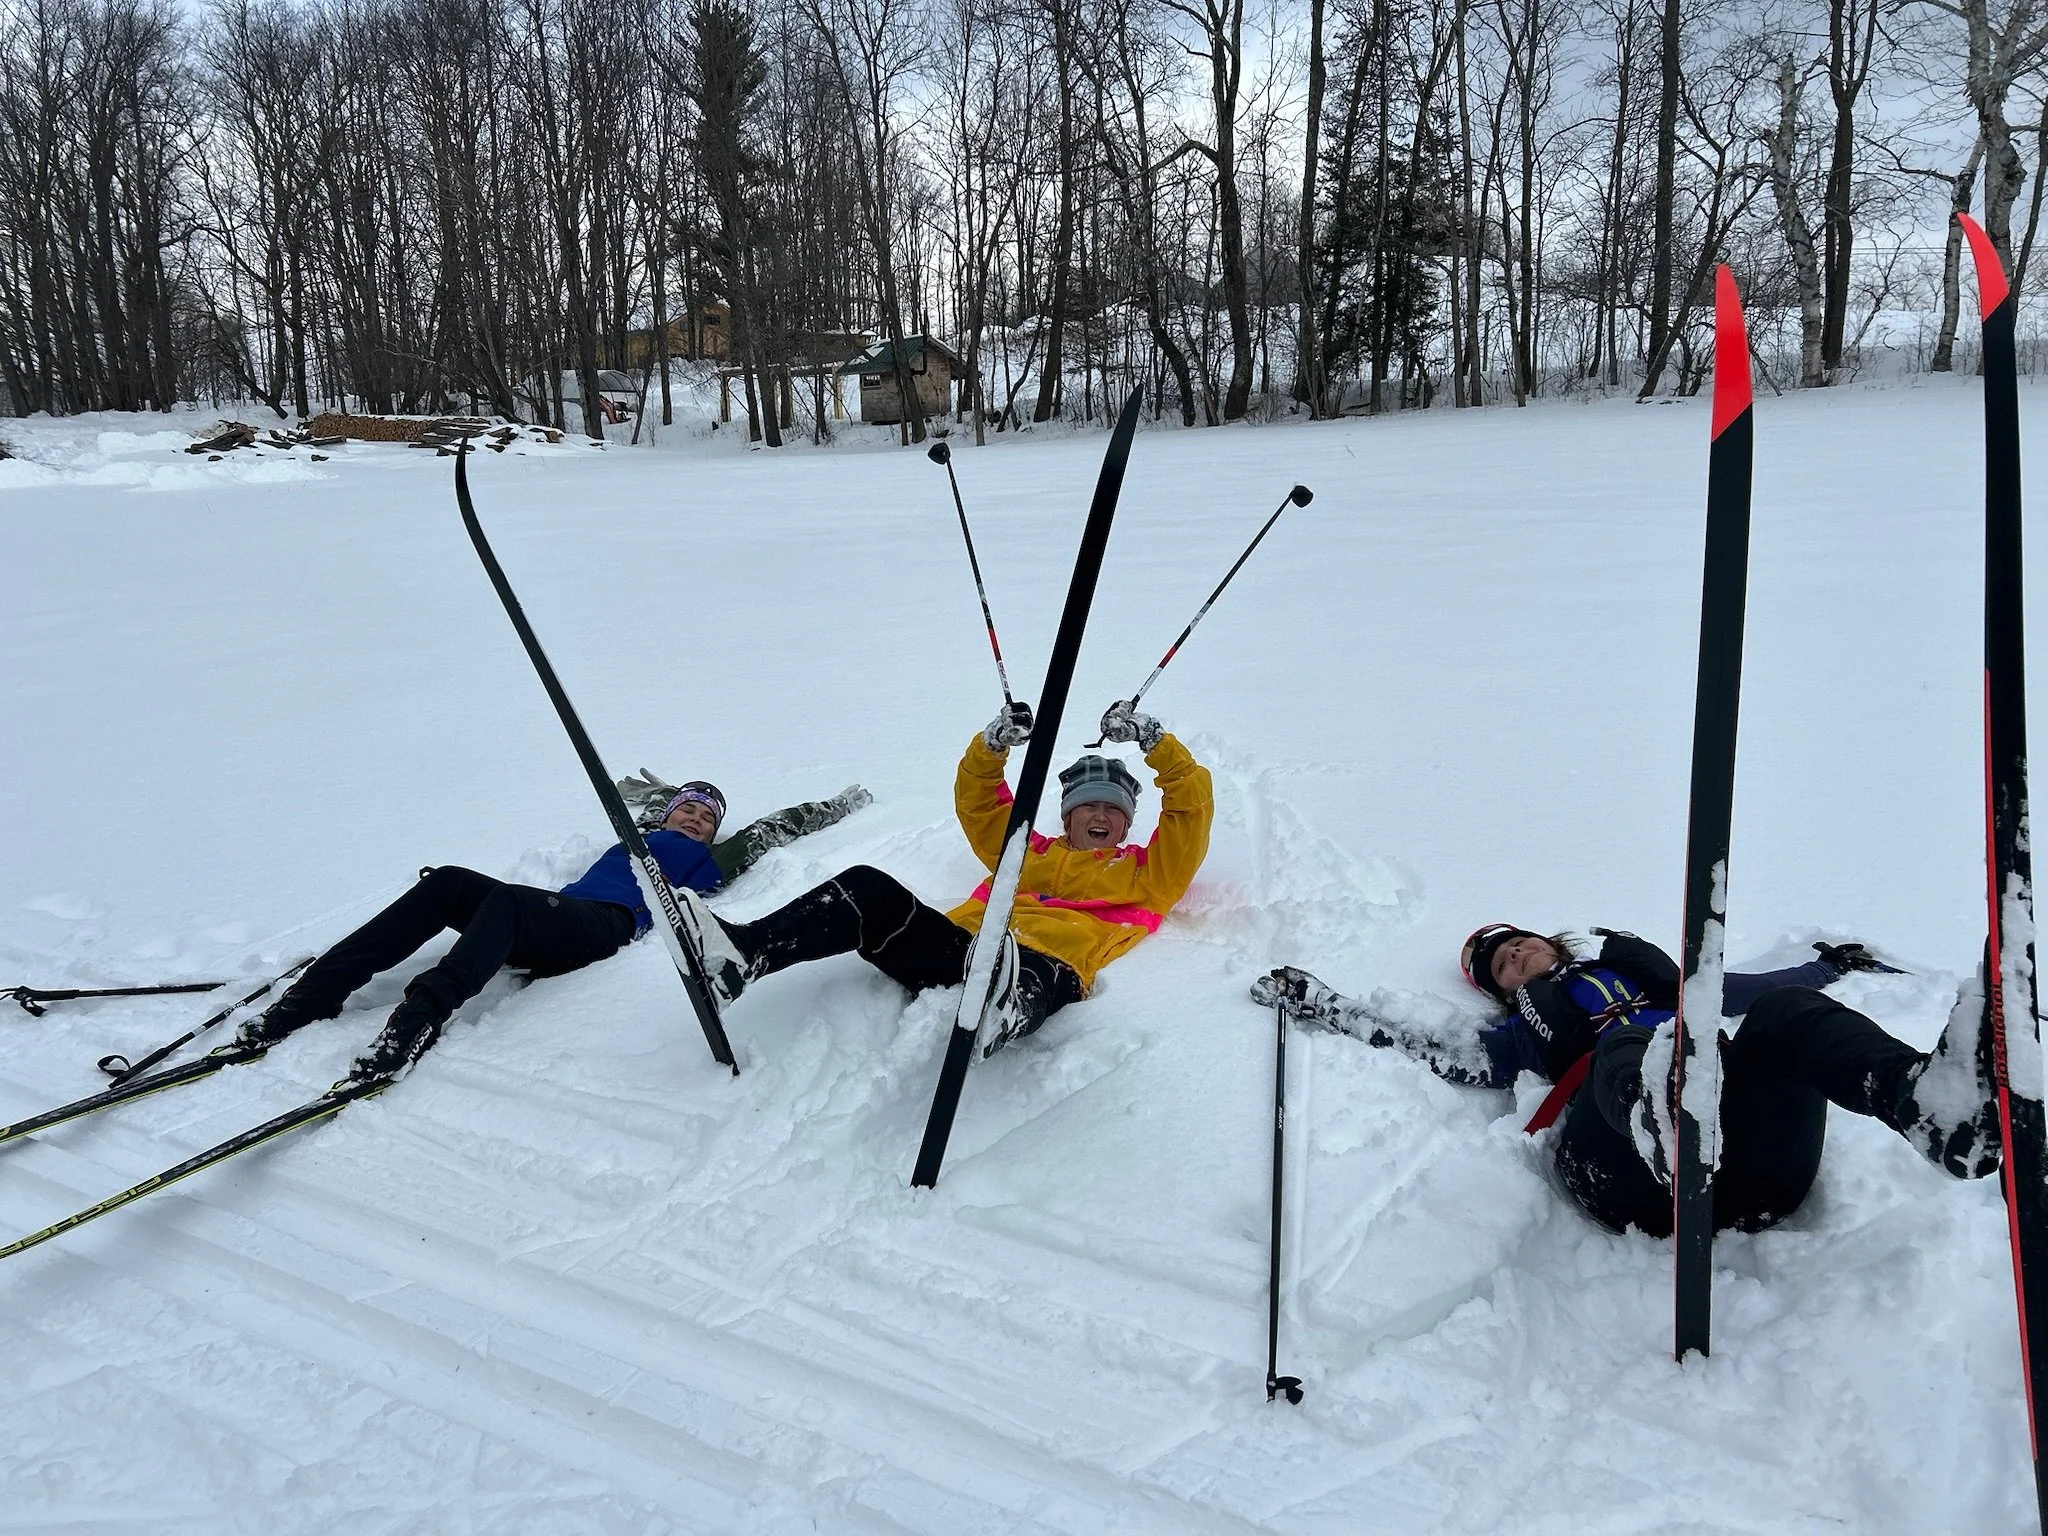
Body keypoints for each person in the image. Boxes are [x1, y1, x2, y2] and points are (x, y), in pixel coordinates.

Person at [1252, 924, 2002, 1236]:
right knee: (1631, 1051)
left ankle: (1925, 1105)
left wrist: (1827, 967)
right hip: (1622, 1177)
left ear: (1552, 941)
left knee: (1783, 1013)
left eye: (1519, 946)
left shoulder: (1652, 982)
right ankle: (1660, 1115)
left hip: (1759, 1170)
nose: (1515, 960)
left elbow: (1754, 988)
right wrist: (1325, 1005)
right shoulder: (1519, 1032)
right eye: (1501, 967)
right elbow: (1425, 1043)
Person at [234, 779, 871, 1081]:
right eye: (689, 809)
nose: (699, 821)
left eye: (708, 817)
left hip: (603, 929)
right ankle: (312, 997)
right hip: (552, 914)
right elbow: (627, 790)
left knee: (508, 902)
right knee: (450, 882)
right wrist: (649, 790)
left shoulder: (709, 862)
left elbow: (775, 828)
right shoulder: (642, 832)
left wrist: (841, 806)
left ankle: (421, 1014)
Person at [673, 701, 1213, 1055]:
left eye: (1113, 811)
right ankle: (742, 957)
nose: (1100, 816)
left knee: (1027, 972)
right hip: (962, 948)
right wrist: (992, 746)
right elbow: (980, 803)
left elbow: (1190, 811)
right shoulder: (1027, 853)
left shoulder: (1148, 873)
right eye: (1088, 807)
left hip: (1043, 966)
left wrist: (1155, 743)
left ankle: (1004, 1013)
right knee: (866, 887)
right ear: (1067, 816)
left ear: (1126, 823)